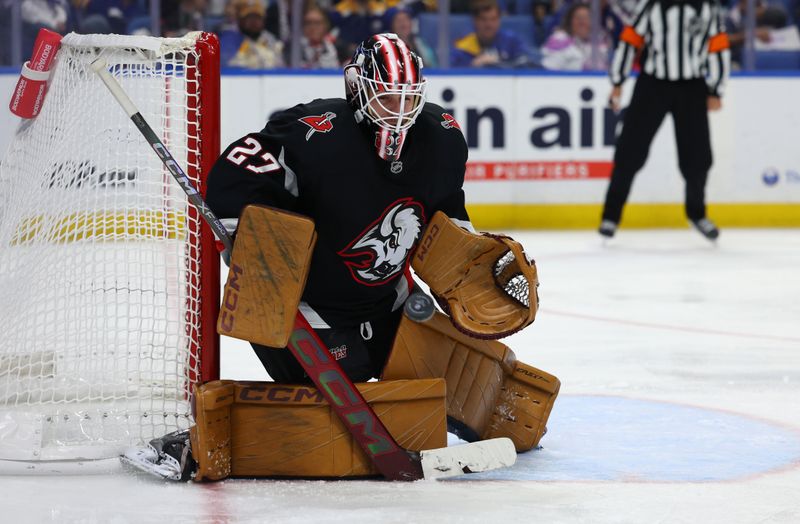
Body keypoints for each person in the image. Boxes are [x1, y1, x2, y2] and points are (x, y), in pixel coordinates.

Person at [206, 33, 471, 383]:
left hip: (389, 300)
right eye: (388, 99)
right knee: (342, 404)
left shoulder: (442, 137)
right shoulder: (315, 133)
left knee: (446, 379)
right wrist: (244, 237)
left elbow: (446, 206)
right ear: (357, 87)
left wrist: (468, 256)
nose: (400, 113)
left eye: (409, 100)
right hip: (310, 309)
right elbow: (237, 172)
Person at [599, 0, 731, 241]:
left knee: (698, 157)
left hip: (692, 87)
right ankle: (611, 216)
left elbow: (718, 45)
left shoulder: (708, 6)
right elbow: (630, 39)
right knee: (629, 150)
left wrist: (716, 90)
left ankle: (697, 213)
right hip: (653, 84)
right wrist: (617, 81)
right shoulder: (650, 5)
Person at [451, 0, 533, 68]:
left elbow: (526, 63)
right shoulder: (463, 47)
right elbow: (454, 74)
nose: (489, 24)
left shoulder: (511, 41)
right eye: (484, 19)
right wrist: (473, 66)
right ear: (475, 21)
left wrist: (500, 64)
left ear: (499, 20)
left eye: (493, 19)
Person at [541, 2, 610, 71]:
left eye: (586, 18)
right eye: (578, 18)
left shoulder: (602, 41)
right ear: (570, 21)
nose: (582, 22)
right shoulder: (559, 39)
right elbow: (548, 70)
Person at [219, 0, 285, 68]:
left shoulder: (270, 40)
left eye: (258, 17)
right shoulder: (229, 39)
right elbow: (226, 66)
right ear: (240, 19)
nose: (254, 21)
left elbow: (280, 69)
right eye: (249, 17)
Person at [285, 4, 342, 68]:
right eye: (308, 23)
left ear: (326, 25)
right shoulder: (293, 49)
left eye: (317, 23)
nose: (313, 27)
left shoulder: (338, 48)